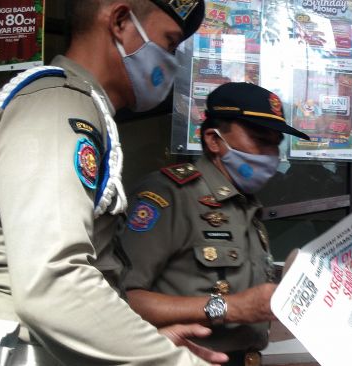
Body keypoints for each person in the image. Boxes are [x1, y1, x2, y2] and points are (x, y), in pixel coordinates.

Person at [0, 0, 229, 365]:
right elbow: (55, 283)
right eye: (169, 44)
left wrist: (150, 342)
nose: (174, 62)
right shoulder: (58, 106)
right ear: (121, 21)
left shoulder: (88, 110)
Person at [116, 82, 310, 366]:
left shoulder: (246, 206)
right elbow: (120, 298)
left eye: (275, 145)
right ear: (214, 140)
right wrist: (228, 308)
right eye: (259, 140)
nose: (270, 155)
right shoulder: (170, 195)